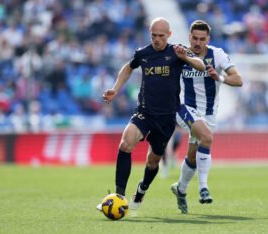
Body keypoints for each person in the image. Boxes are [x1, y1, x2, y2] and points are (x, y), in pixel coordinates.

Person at [97, 17, 205, 212]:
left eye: (161, 36)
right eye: (153, 35)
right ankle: (119, 196)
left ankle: (142, 188)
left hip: (166, 118)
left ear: (169, 35)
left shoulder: (177, 51)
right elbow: (128, 67)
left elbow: (201, 65)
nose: (157, 39)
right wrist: (115, 89)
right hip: (144, 113)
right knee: (125, 143)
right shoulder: (142, 53)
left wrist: (186, 58)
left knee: (152, 161)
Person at [170, 20, 243, 214]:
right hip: (184, 107)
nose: (197, 42)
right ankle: (203, 188)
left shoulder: (217, 54)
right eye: (194, 38)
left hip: (209, 113)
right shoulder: (180, 54)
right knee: (207, 138)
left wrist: (219, 78)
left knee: (193, 155)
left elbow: (238, 80)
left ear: (208, 39)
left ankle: (181, 189)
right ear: (189, 37)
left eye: (202, 39)